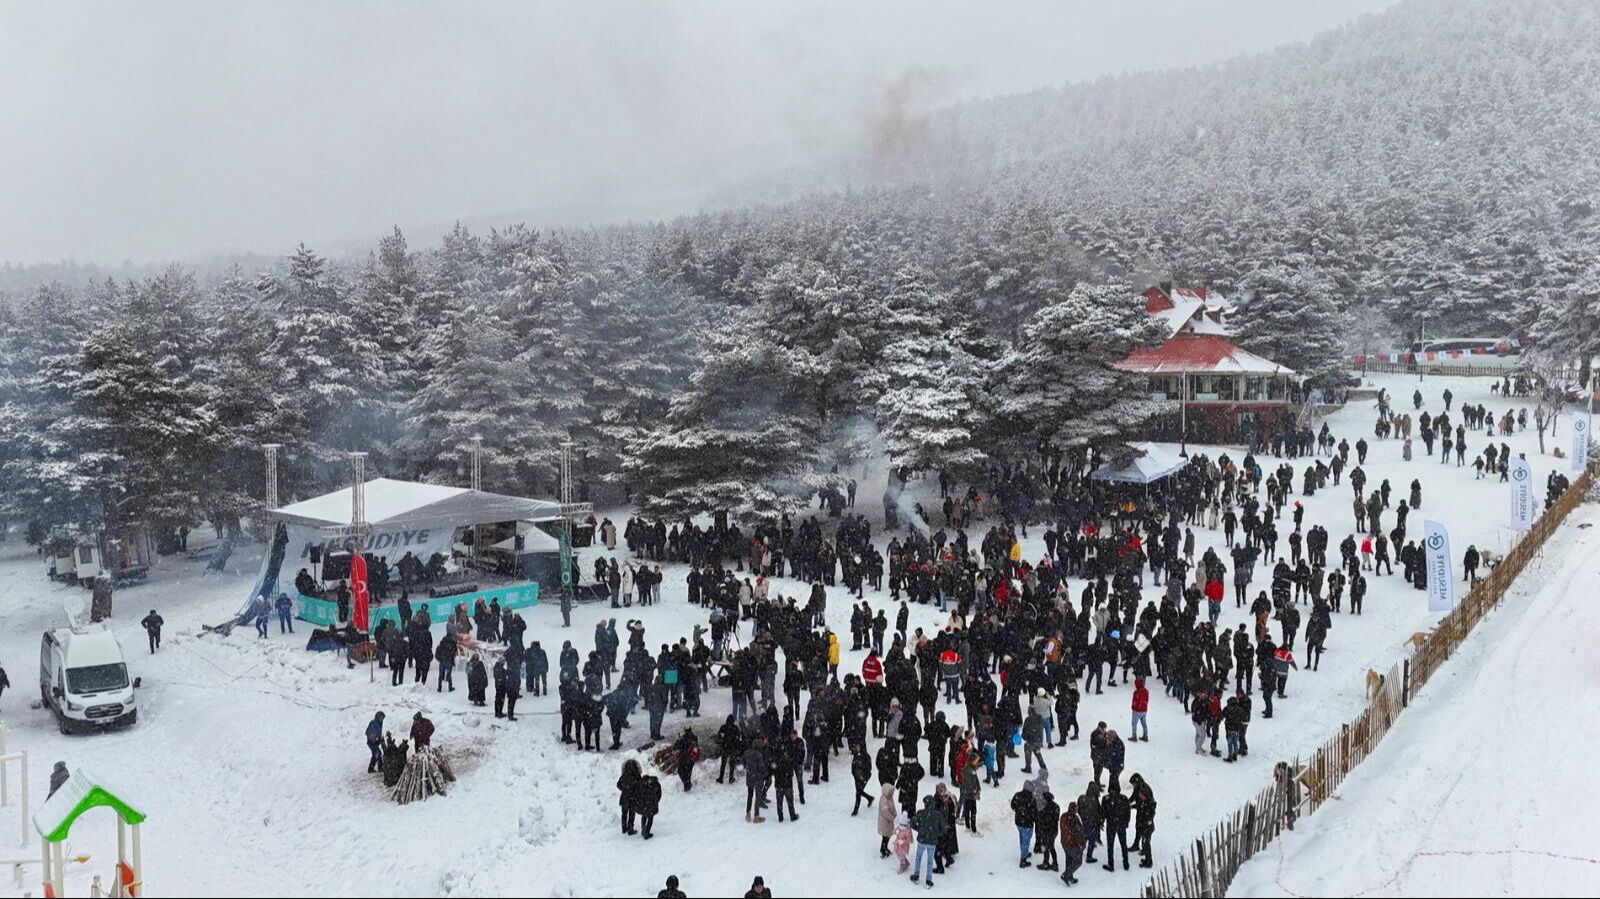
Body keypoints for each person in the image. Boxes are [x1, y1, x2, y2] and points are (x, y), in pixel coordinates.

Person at [911, 794, 944, 886]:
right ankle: (928, 880)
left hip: (922, 840)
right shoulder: (938, 815)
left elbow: (912, 822)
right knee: (930, 861)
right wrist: (936, 834)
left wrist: (918, 829)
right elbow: (943, 829)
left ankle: (916, 875)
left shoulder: (920, 813)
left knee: (918, 858)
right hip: (932, 842)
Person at [1100, 780, 1132, 872]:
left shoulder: (1106, 799)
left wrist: (1102, 821)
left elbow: (1103, 812)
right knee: (1123, 844)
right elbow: (1128, 812)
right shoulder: (1123, 798)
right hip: (1120, 825)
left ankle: (1111, 864)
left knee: (1111, 845)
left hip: (1112, 825)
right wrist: (1126, 823)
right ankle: (1125, 864)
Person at [1011, 784, 1038, 868]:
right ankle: (1023, 860)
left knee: (1022, 838)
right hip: (1027, 824)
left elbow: (1013, 806)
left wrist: (1018, 811)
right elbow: (1035, 813)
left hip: (1019, 822)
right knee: (1026, 840)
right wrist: (1033, 819)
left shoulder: (1017, 795)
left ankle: (1024, 853)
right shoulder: (1032, 800)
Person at [618, 758, 642, 835]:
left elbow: (618, 785)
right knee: (632, 814)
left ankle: (624, 828)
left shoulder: (624, 775)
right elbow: (640, 786)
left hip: (624, 797)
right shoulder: (637, 775)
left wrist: (625, 789)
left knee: (624, 813)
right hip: (633, 797)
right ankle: (630, 829)